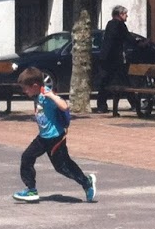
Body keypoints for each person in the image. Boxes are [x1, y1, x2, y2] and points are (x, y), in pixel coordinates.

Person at [13, 66, 96, 203]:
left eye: (26, 88)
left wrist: (51, 95)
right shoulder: (37, 94)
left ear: (35, 86)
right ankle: (31, 189)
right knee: (27, 157)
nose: (24, 91)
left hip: (56, 138)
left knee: (62, 167)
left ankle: (87, 182)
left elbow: (64, 106)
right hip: (43, 138)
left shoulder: (46, 95)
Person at [95, 5, 131, 115]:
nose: (127, 16)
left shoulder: (110, 24)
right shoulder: (120, 25)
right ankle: (134, 104)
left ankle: (101, 106)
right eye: (125, 14)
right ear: (120, 14)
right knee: (124, 81)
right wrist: (140, 43)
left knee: (104, 82)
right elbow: (128, 38)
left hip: (105, 57)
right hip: (114, 59)